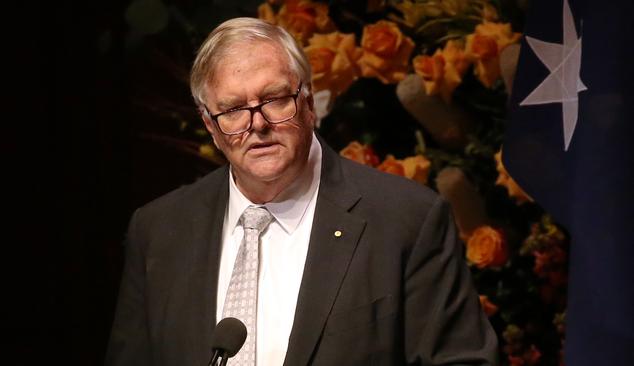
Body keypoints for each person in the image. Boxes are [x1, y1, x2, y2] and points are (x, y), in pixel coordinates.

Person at [106, 17, 498, 366]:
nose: (256, 125)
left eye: (274, 100)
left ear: (308, 102)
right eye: (233, 110)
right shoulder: (159, 230)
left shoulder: (405, 220)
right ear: (210, 125)